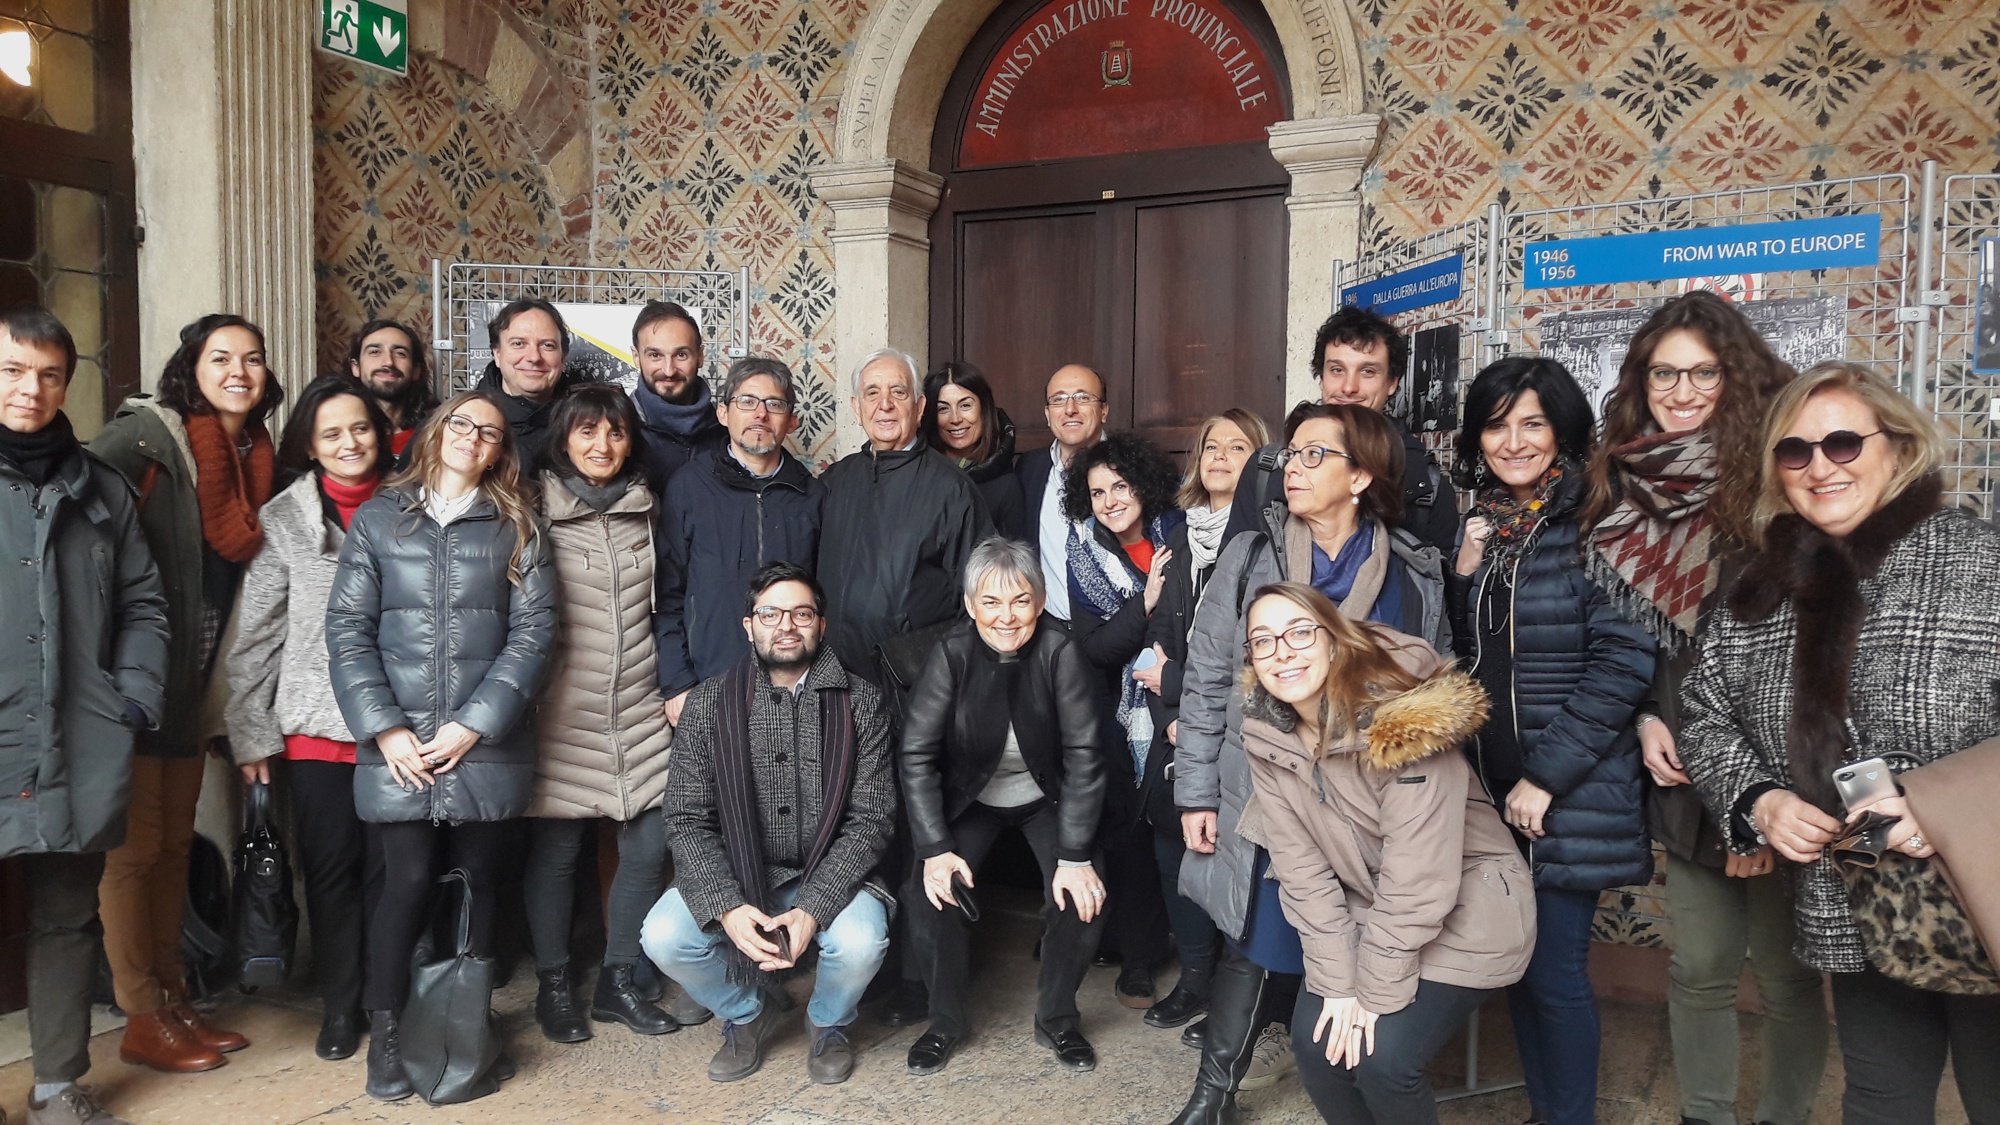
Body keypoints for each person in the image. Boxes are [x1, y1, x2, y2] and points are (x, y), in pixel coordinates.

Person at [1679, 361, 2000, 1124]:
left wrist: (1940, 804)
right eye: (1795, 451)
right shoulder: (1759, 589)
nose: (1820, 467)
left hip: (1983, 886)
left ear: (1899, 446)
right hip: (1855, 896)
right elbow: (1705, 714)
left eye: (1844, 443)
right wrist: (1759, 800)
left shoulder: (1980, 561)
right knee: (1881, 1099)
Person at [1577, 292, 1826, 1125]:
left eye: (1702, 373)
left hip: (1779, 768)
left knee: (1788, 976)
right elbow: (1630, 637)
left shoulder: (1781, 484)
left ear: (1736, 377)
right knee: (1702, 965)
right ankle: (1706, 1114)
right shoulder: (1620, 487)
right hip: (1680, 759)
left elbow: (1804, 651)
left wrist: (1754, 803)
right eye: (1663, 374)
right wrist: (1645, 716)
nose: (1681, 391)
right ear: (1640, 383)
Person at [1172, 403, 1448, 1125]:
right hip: (1266, 782)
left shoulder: (1411, 572)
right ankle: (1213, 1094)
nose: (1291, 467)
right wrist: (1197, 790)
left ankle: (1352, 1075)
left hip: (1367, 799)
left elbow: (1432, 691)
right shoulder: (1250, 556)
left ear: (1360, 476)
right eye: (1291, 454)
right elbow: (1206, 676)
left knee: (1352, 928)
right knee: (1257, 938)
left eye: (1313, 455)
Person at [326, 390, 558, 1102]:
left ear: (500, 450)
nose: (472, 437)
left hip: (484, 742)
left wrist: (474, 724)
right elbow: (347, 630)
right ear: (436, 431)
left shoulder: (519, 524)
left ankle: (464, 1032)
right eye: (462, 423)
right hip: (398, 744)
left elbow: (535, 635)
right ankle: (389, 1038)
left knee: (477, 884)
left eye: (489, 431)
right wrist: (386, 728)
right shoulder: (380, 519)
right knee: (405, 883)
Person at [1236, 582, 1534, 1125]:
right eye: (1263, 641)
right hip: (1369, 903)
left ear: (1334, 641)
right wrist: (1338, 984)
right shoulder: (1268, 736)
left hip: (1471, 905)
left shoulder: (1401, 721)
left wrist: (1372, 990)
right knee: (1317, 1047)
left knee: (1383, 1060)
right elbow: (1302, 870)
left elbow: (1420, 875)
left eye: (1300, 633)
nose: (1282, 652)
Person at [1447, 357, 1655, 1125]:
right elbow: (1476, 653)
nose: (1513, 440)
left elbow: (1623, 661)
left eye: (1532, 422)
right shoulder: (1491, 523)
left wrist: (1546, 777)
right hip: (1496, 784)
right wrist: (1463, 575)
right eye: (1497, 424)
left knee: (1555, 971)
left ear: (1563, 429)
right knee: (1520, 965)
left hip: (1565, 788)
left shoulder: (1599, 520)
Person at [90, 313, 281, 1072]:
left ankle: (173, 997)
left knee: (174, 844)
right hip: (136, 680)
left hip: (195, 682)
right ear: (191, 368)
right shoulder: (143, 440)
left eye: (253, 359)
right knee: (135, 853)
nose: (239, 371)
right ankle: (141, 1013)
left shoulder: (252, 454)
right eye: (221, 358)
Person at [0, 305, 168, 1125]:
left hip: (78, 733)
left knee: (68, 915)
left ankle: (57, 1085)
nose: (30, 389)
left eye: (49, 374)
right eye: (12, 370)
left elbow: (143, 602)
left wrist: (129, 697)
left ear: (68, 383)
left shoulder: (102, 487)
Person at [640, 562, 898, 1086]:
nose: (786, 626)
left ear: (821, 624)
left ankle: (828, 1021)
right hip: (740, 871)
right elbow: (686, 817)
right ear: (749, 625)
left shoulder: (862, 702)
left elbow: (871, 819)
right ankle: (748, 1012)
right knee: (663, 936)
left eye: (801, 614)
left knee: (861, 943)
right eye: (771, 614)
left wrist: (814, 907)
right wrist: (727, 906)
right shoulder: (708, 703)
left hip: (829, 871)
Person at [223, 375, 395, 1063]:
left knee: (394, 873)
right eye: (332, 433)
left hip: (399, 729)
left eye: (360, 427)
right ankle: (341, 1005)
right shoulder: (285, 519)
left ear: (379, 432)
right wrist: (252, 732)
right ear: (310, 445)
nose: (350, 442)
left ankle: (387, 1002)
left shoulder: (414, 504)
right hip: (315, 728)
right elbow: (257, 634)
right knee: (331, 873)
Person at [899, 538, 1109, 1075]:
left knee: (1082, 893)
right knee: (929, 892)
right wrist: (935, 849)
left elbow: (1085, 754)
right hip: (972, 794)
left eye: (1020, 600)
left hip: (1046, 793)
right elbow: (916, 754)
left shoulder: (1060, 650)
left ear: (1040, 602)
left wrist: (1075, 855)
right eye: (991, 602)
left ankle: (1057, 1019)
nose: (1006, 616)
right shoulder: (951, 652)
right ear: (971, 606)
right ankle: (943, 1022)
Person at [522, 385, 677, 1043]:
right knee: (558, 850)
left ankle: (618, 980)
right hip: (562, 709)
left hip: (641, 705)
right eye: (587, 431)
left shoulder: (649, 507)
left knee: (650, 838)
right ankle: (554, 985)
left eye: (615, 432)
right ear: (564, 438)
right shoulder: (533, 510)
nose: (602, 445)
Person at [1135, 408, 1271, 1033]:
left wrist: (1176, 688)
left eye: (1237, 448)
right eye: (1211, 446)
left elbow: (1243, 654)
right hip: (1180, 731)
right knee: (1175, 847)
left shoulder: (1267, 542)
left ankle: (1235, 993)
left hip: (1237, 729)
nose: (1219, 456)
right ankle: (1193, 980)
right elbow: (1157, 642)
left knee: (1237, 853)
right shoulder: (1180, 538)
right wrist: (1170, 714)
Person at [1061, 432, 1184, 1010]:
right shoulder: (1084, 552)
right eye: (1097, 492)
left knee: (1178, 829)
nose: (1110, 501)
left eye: (1120, 486)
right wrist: (1146, 603)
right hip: (1116, 710)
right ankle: (1138, 959)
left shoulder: (1178, 532)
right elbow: (1095, 648)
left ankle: (1194, 954)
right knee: (1129, 836)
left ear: (1143, 484)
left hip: (1180, 701)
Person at [655, 356, 824, 721]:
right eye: (747, 401)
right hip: (707, 684)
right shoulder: (688, 486)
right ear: (723, 413)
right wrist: (677, 682)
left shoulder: (813, 496)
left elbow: (824, 601)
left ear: (792, 420)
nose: (760, 414)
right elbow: (667, 595)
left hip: (792, 690)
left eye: (774, 404)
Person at [817, 347, 991, 684]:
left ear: (919, 407)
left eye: (898, 392)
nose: (885, 404)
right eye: (872, 393)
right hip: (833, 682)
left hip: (911, 684)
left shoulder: (952, 489)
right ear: (857, 408)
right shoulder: (834, 481)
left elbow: (979, 598)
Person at [1225, 307, 1455, 556]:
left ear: (1392, 382)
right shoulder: (1267, 469)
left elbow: (1433, 578)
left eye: (1367, 372)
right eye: (1337, 370)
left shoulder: (1426, 487)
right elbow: (1232, 572)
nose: (1349, 387)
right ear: (1321, 377)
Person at [1015, 363, 1109, 631]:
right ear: (1047, 414)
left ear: (1104, 410)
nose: (1070, 409)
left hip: (1116, 634)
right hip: (1047, 633)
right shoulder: (1030, 468)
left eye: (1083, 397)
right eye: (1058, 400)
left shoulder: (1132, 468)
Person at [628, 299, 727, 493]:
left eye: (681, 355)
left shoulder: (726, 431)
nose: (668, 370)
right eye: (655, 355)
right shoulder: (618, 430)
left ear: (700, 356)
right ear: (636, 357)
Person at [921, 361, 1026, 539]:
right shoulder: (917, 473)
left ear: (983, 409)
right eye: (943, 408)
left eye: (965, 406)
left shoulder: (1006, 485)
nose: (955, 419)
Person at [475, 297, 579, 467]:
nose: (534, 357)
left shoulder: (589, 420)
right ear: (497, 354)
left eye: (547, 345)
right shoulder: (462, 424)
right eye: (518, 344)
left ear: (563, 357)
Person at [346, 318, 437, 455]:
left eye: (400, 353)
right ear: (356, 367)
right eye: (375, 352)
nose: (388, 362)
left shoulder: (435, 435)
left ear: (416, 371)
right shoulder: (341, 436)